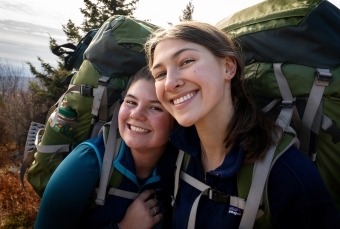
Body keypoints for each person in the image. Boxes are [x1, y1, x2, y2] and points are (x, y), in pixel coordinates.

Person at [145, 21, 340, 228]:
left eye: (186, 61)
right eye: (160, 74)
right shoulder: (175, 155)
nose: (170, 83)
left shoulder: (288, 176)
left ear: (228, 67)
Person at [34, 66, 178, 229]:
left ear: (177, 119)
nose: (136, 114)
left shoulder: (183, 169)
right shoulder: (87, 161)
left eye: (155, 107)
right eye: (131, 102)